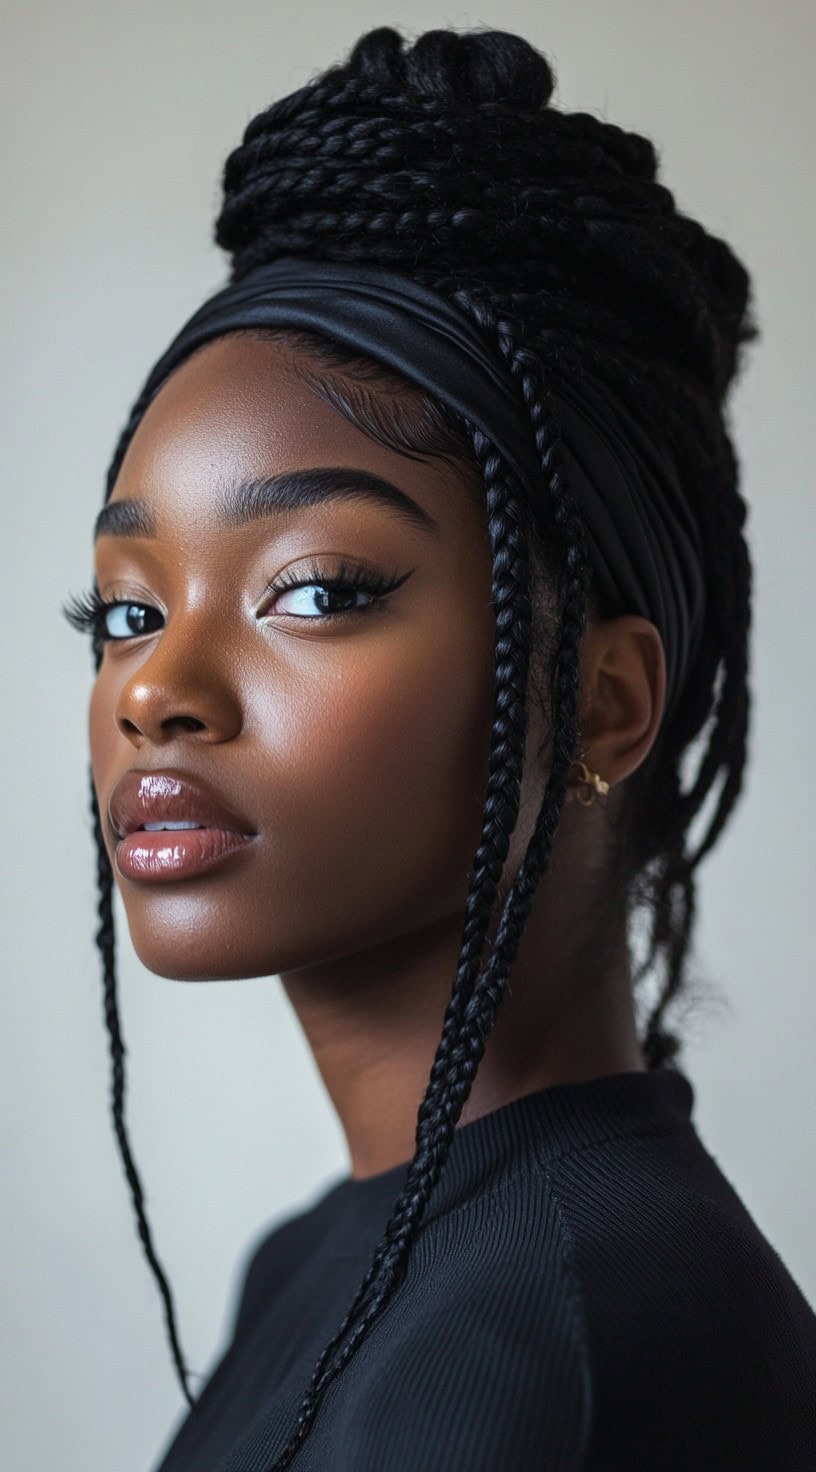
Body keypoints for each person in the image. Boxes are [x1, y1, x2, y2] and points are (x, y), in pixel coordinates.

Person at [63, 24, 816, 1472]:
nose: (158, 688)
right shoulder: (330, 1262)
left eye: (317, 591)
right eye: (125, 607)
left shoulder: (549, 1337)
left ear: (601, 702)